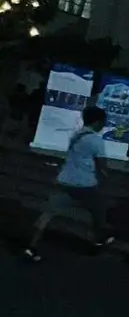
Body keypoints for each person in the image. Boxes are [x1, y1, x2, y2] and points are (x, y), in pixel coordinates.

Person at [23, 105, 114, 261]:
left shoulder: (76, 135)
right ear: (97, 122)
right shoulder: (96, 141)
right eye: (102, 122)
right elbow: (102, 165)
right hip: (85, 184)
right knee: (99, 212)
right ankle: (99, 241)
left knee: (47, 214)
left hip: (64, 181)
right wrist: (106, 176)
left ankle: (31, 247)